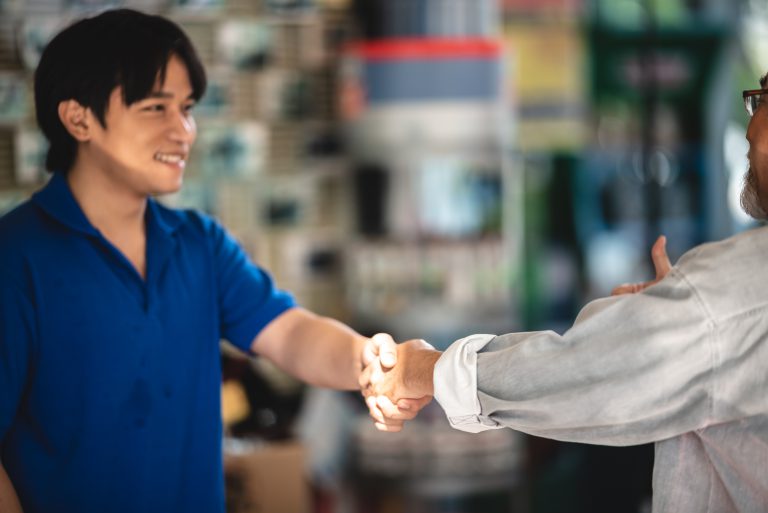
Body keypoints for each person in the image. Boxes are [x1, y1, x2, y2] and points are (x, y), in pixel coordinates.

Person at [0, 9, 426, 513]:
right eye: (156, 108)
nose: (183, 131)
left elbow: (288, 333)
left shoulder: (200, 244)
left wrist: (371, 363)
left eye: (188, 108)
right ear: (79, 118)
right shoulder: (16, 256)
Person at [362, 79, 768, 512]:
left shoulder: (743, 286)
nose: (751, 125)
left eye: (765, 99)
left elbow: (596, 372)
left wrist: (423, 369)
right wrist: (673, 318)